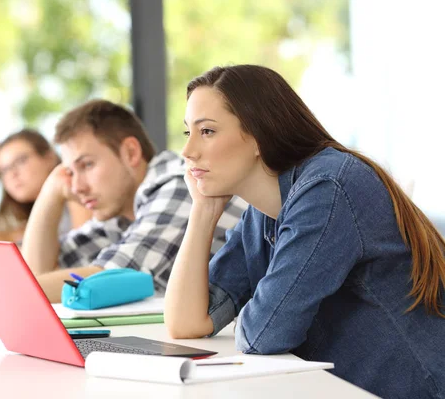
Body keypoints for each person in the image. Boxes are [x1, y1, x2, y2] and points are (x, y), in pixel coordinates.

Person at [164, 64, 445, 398]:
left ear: (257, 136)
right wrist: (203, 210)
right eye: (188, 133)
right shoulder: (263, 212)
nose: (188, 151)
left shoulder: (327, 189)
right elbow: (188, 322)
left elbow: (264, 335)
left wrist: (253, 315)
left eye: (206, 131)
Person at [0, 99, 247, 316]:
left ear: (130, 153)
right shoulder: (121, 215)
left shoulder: (179, 186)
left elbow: (110, 277)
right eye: (70, 171)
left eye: (86, 166)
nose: (77, 185)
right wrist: (52, 194)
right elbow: (38, 273)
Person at [0, 128, 91, 241]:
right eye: (4, 170)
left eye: (20, 161)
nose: (12, 174)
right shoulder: (35, 218)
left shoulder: (74, 191)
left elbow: (82, 250)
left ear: (49, 157)